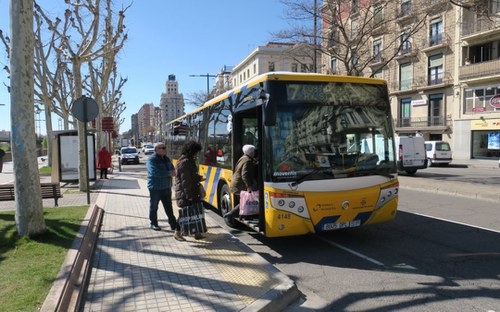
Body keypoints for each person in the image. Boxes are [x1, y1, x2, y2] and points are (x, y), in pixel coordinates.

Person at [174, 140, 204, 240]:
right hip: (186, 192)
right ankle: (177, 233)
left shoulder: (189, 160)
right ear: (192, 151)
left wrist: (199, 178)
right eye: (196, 152)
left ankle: (196, 232)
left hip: (191, 190)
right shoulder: (185, 162)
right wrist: (189, 195)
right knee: (185, 213)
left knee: (195, 211)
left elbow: (191, 176)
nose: (197, 154)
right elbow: (185, 181)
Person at [146, 143, 179, 235]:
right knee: (154, 206)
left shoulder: (166, 159)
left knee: (169, 207)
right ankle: (153, 223)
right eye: (163, 148)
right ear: (157, 149)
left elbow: (172, 169)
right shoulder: (151, 160)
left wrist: (173, 172)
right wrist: (169, 173)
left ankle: (173, 224)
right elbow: (154, 172)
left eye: (165, 147)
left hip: (167, 187)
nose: (165, 149)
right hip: (155, 187)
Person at [224, 144, 258, 219]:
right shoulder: (248, 161)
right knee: (245, 201)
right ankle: (230, 214)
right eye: (254, 152)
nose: (255, 153)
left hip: (236, 185)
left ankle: (243, 216)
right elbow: (244, 175)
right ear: (251, 153)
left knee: (244, 201)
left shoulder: (243, 158)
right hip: (239, 186)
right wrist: (249, 186)